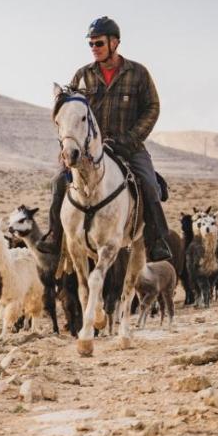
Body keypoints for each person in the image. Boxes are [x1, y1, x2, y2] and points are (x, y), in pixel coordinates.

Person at [40, 16, 173, 263]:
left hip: (129, 146)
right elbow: (70, 110)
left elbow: (152, 108)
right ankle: (54, 236)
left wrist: (131, 138)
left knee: (150, 184)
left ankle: (157, 241)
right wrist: (69, 140)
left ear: (114, 43)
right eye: (90, 44)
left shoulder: (138, 73)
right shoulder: (83, 75)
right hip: (90, 150)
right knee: (59, 181)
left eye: (98, 43)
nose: (94, 48)